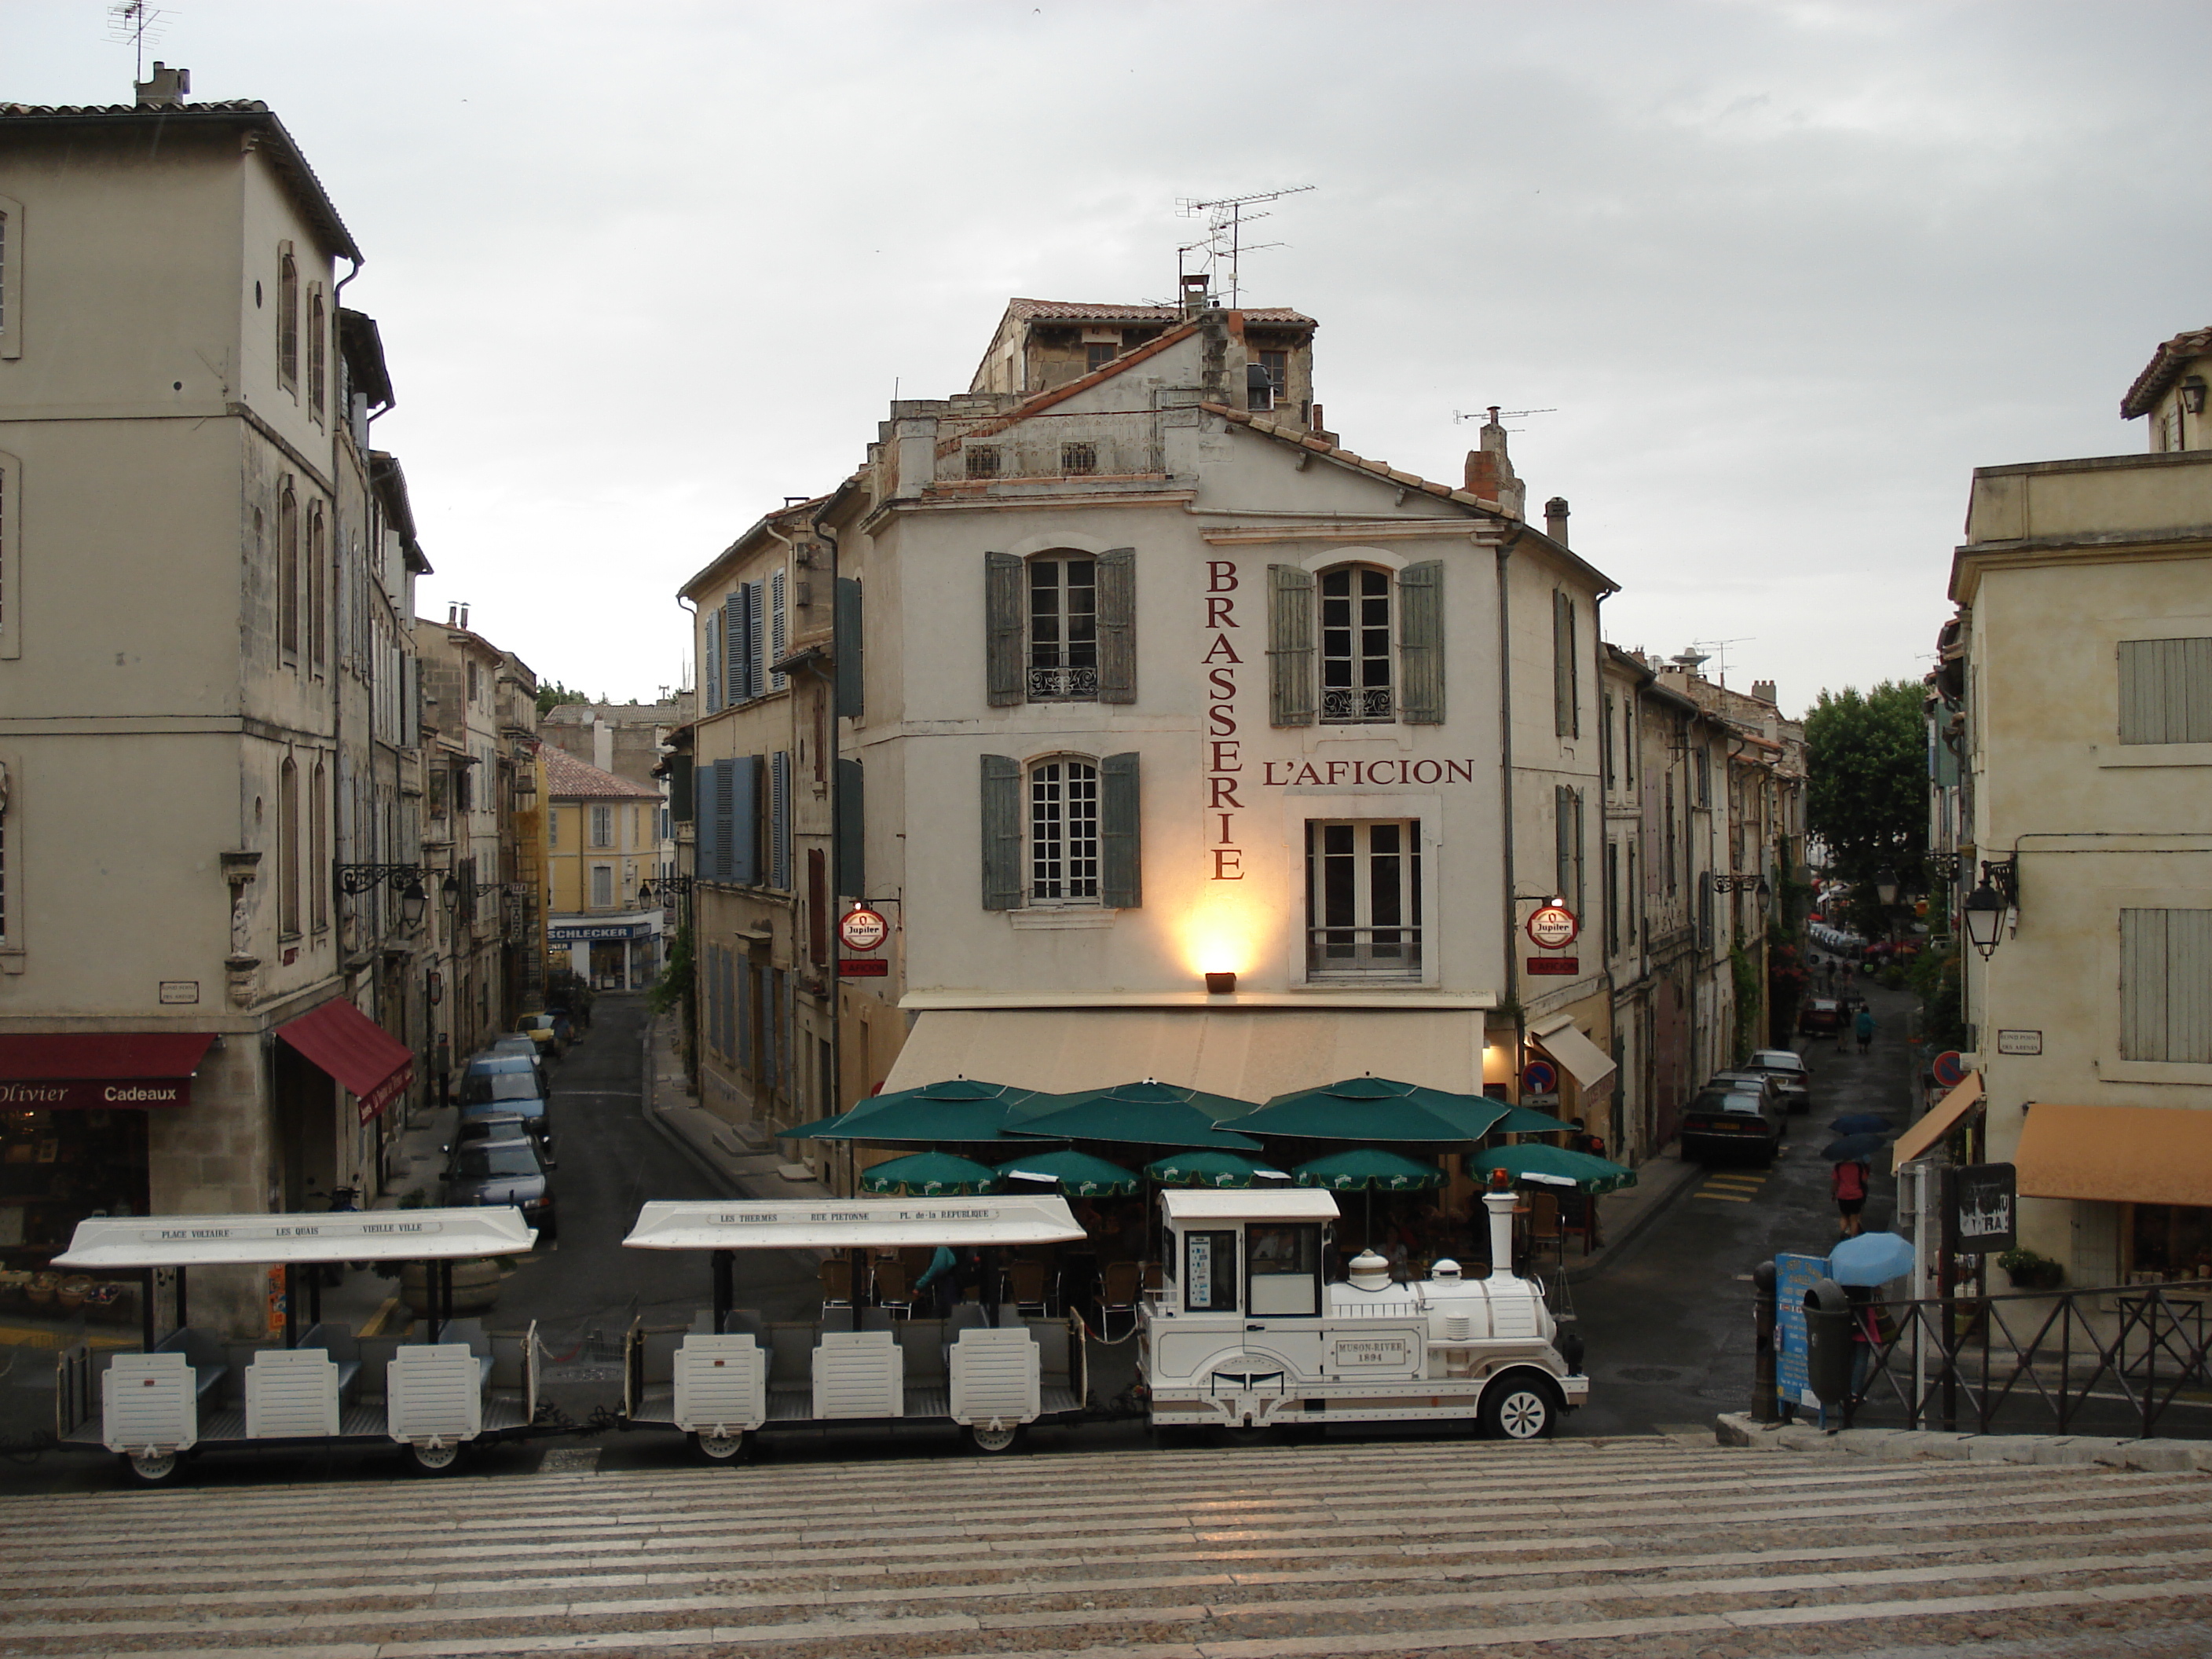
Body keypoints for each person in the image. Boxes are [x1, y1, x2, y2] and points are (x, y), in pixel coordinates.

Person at [1833, 1156, 1870, 1238]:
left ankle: (1843, 1232)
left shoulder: (1838, 1167)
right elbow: (1864, 1180)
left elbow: (1835, 1182)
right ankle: (1853, 1237)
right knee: (1854, 1219)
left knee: (1844, 1216)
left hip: (1842, 1195)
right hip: (1856, 1195)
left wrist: (1833, 1193)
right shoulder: (1859, 1167)